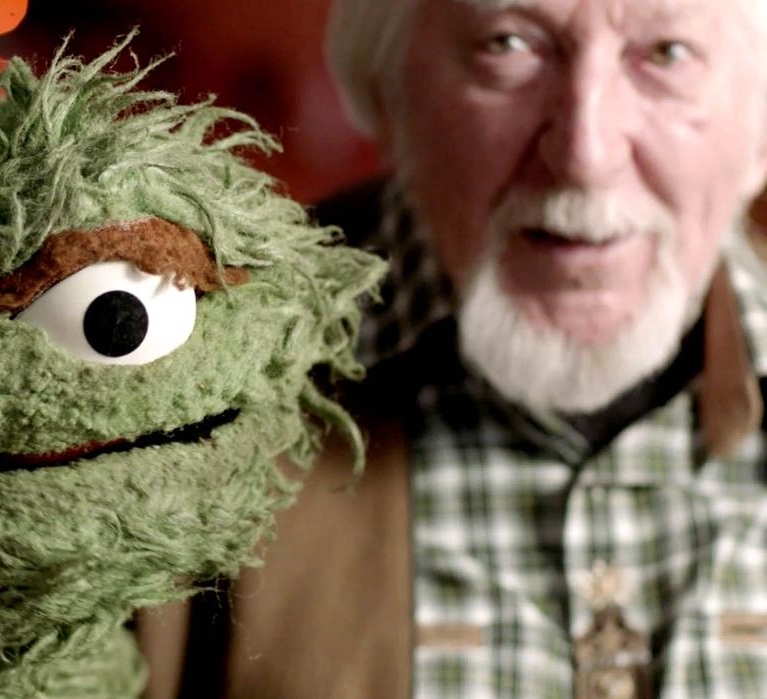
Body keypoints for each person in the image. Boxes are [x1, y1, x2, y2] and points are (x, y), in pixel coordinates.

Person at [138, 0, 767, 697]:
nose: (586, 154)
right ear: (389, 90)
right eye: (508, 44)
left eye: (668, 55)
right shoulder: (181, 391)